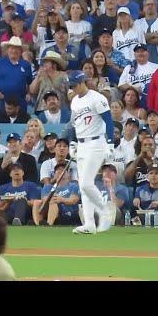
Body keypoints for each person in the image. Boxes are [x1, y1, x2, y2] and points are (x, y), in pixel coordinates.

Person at [65, 71, 115, 234]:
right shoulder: (74, 102)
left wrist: (110, 143)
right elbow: (73, 124)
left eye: (75, 85)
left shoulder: (96, 98)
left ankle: (105, 212)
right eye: (71, 86)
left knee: (86, 183)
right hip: (82, 144)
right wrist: (72, 143)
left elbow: (108, 120)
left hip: (96, 142)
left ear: (82, 82)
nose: (73, 88)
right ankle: (89, 224)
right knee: (83, 186)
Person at [32, 162, 81, 226]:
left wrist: (61, 199)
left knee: (53, 201)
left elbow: (73, 200)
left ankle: (49, 224)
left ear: (69, 174)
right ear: (54, 174)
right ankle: (37, 225)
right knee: (37, 202)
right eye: (58, 170)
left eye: (63, 170)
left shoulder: (74, 186)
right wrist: (52, 198)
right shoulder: (48, 187)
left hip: (68, 213)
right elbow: (44, 200)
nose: (60, 171)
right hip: (51, 211)